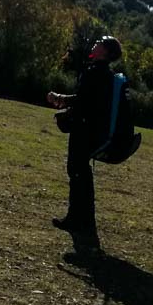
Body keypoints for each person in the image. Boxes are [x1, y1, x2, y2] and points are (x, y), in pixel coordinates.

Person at [46, 35, 123, 251]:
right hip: (94, 131)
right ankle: (85, 220)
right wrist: (63, 100)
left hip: (84, 130)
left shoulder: (95, 73)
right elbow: (87, 99)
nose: (95, 44)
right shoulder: (106, 74)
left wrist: (62, 105)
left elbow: (83, 101)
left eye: (100, 43)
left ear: (105, 52)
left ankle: (76, 219)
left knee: (77, 171)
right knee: (82, 173)